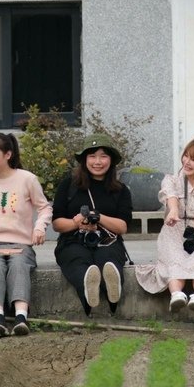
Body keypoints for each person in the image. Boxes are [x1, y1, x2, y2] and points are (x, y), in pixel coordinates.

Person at [135, 134, 194, 317]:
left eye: (193, 159)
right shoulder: (171, 180)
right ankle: (176, 295)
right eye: (186, 155)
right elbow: (171, 196)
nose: (186, 161)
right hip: (173, 232)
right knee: (174, 256)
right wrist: (173, 211)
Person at [0, 131, 53, 336]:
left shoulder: (27, 179)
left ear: (8, 155)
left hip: (20, 244)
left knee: (18, 265)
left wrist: (39, 228)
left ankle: (21, 317)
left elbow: (44, 208)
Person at [53, 134, 133, 316]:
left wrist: (98, 217)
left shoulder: (120, 190)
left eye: (103, 156)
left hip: (108, 240)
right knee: (77, 257)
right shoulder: (68, 186)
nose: (98, 162)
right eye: (92, 156)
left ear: (111, 161)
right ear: (84, 160)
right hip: (73, 240)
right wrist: (76, 223)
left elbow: (122, 227)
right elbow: (57, 223)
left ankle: (113, 287)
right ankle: (88, 284)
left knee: (109, 258)